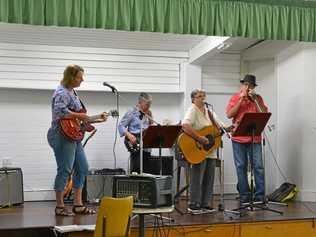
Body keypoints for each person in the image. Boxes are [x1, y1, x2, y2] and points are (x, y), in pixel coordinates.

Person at [47, 64, 108, 216]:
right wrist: (81, 116)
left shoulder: (72, 92)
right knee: (65, 170)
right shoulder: (61, 92)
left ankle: (78, 204)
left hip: (72, 135)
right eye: (80, 77)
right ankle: (60, 206)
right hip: (61, 135)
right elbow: (60, 112)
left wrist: (96, 119)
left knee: (82, 168)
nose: (82, 80)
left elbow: (77, 121)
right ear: (71, 77)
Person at [226, 74, 268, 205]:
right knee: (241, 166)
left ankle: (260, 196)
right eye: (245, 85)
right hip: (238, 139)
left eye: (250, 86)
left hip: (254, 138)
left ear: (254, 87)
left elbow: (264, 114)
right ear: (242, 85)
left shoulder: (258, 99)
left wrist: (255, 100)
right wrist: (241, 100)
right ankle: (244, 195)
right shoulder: (235, 98)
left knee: (258, 166)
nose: (248, 87)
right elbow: (229, 114)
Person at [182, 89, 217, 214]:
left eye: (204, 96)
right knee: (197, 176)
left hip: (210, 150)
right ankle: (194, 203)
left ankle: (205, 203)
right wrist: (199, 137)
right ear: (193, 99)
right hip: (198, 149)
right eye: (199, 96)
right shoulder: (192, 110)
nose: (202, 98)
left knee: (209, 177)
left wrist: (229, 128)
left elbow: (219, 126)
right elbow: (185, 125)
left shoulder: (209, 111)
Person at [118, 92, 156, 174]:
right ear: (140, 102)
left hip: (146, 144)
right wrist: (129, 135)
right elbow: (121, 126)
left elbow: (150, 126)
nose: (148, 107)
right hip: (134, 141)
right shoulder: (131, 112)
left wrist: (151, 120)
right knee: (136, 168)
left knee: (146, 169)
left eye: (150, 105)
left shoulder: (148, 112)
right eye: (147, 105)